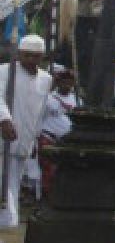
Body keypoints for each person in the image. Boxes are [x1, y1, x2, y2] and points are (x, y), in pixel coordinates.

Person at [0, 34, 53, 241]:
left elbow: (39, 111)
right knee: (4, 184)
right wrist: (4, 120)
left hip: (25, 140)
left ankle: (6, 225)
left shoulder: (46, 79)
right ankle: (7, 223)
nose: (31, 60)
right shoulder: (5, 71)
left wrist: (35, 138)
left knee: (13, 183)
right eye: (27, 56)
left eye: (35, 56)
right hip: (3, 137)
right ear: (19, 54)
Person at [36, 64, 80, 199]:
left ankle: (63, 195)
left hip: (68, 141)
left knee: (66, 170)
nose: (67, 84)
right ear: (59, 82)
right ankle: (48, 196)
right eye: (64, 81)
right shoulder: (48, 98)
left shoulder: (77, 100)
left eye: (69, 81)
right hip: (48, 138)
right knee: (49, 169)